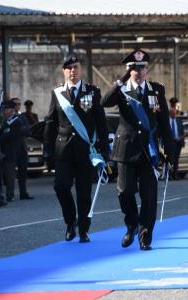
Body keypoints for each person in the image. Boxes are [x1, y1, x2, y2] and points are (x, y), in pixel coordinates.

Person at [101, 49, 174, 250]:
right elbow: (104, 102)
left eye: (142, 68)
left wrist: (170, 151)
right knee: (125, 192)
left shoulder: (156, 90)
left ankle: (145, 235)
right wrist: (122, 80)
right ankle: (131, 225)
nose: (140, 72)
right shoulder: (122, 90)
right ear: (129, 70)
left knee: (149, 196)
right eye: (135, 68)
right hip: (126, 149)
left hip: (148, 151)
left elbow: (164, 123)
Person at [44, 55, 109, 243]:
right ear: (64, 71)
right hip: (63, 149)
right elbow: (50, 122)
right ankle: (70, 221)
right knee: (61, 187)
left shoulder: (93, 92)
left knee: (83, 193)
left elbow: (101, 123)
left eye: (76, 67)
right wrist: (47, 150)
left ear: (81, 69)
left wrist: (104, 148)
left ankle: (83, 230)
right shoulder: (57, 93)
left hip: (85, 151)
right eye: (69, 68)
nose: (73, 71)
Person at [0, 100, 22, 202]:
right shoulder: (5, 121)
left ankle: (10, 194)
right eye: (4, 109)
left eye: (6, 109)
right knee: (4, 174)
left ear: (12, 110)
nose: (4, 111)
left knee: (10, 175)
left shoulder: (16, 121)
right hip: (3, 151)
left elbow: (9, 136)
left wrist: (1, 135)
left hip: (11, 151)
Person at [12, 97, 34, 200]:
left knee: (23, 172)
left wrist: (20, 129)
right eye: (15, 104)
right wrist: (20, 129)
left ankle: (23, 192)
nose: (17, 106)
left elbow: (28, 131)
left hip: (22, 147)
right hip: (12, 147)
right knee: (10, 172)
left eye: (19, 104)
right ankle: (10, 194)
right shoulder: (8, 117)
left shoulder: (22, 117)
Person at [168, 108, 184, 180]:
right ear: (170, 113)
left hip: (178, 142)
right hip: (170, 143)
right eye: (173, 113)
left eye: (175, 113)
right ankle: (169, 175)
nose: (174, 115)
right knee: (171, 159)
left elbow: (182, 131)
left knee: (176, 160)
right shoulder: (167, 121)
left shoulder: (179, 121)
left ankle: (175, 175)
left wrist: (181, 140)